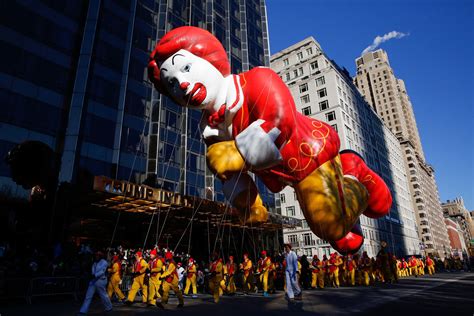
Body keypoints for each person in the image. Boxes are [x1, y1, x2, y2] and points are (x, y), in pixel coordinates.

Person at [148, 26, 392, 254]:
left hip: (308, 154)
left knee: (333, 225)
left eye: (186, 69)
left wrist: (237, 153)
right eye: (172, 84)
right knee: (345, 240)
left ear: (209, 59)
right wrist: (247, 204)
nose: (181, 83)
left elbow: (279, 122)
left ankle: (352, 169)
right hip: (280, 175)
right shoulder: (209, 129)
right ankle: (343, 212)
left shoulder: (256, 80)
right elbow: (229, 174)